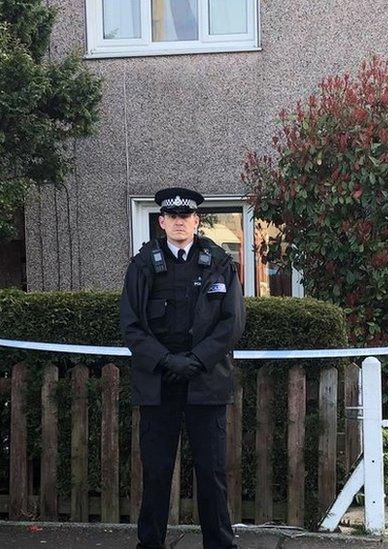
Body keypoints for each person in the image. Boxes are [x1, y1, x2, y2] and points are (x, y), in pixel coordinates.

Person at [120, 187, 245, 549]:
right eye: (171, 217)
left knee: (211, 473)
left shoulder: (219, 261)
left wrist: (195, 360)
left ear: (196, 221)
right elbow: (131, 324)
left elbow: (232, 322)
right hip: (158, 384)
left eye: (185, 217)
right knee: (157, 474)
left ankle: (220, 545)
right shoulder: (142, 265)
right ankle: (150, 544)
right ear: (161, 222)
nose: (178, 222)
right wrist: (165, 360)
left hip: (205, 382)